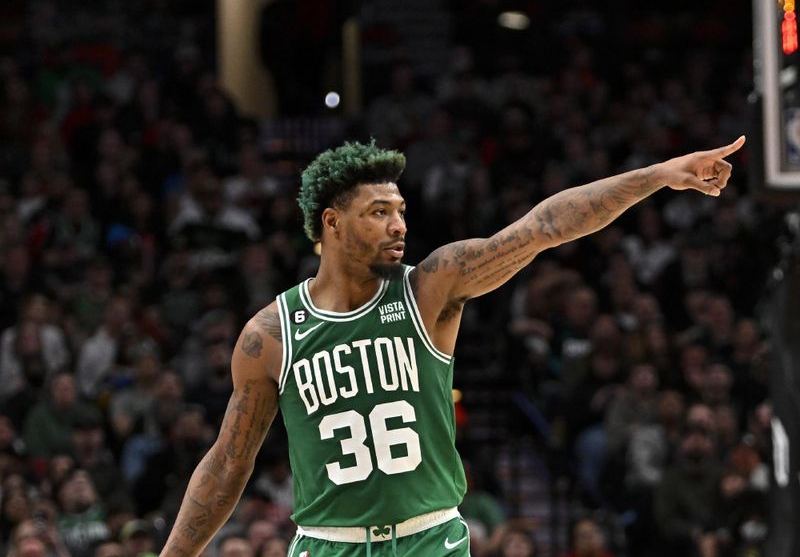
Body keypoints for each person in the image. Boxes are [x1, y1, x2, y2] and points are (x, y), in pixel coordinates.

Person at [160, 136, 743, 556]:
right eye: (379, 213)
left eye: (401, 212)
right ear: (332, 224)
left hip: (431, 539)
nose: (399, 226)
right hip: (328, 545)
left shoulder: (429, 286)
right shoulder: (271, 334)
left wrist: (659, 175)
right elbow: (229, 462)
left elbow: (544, 227)